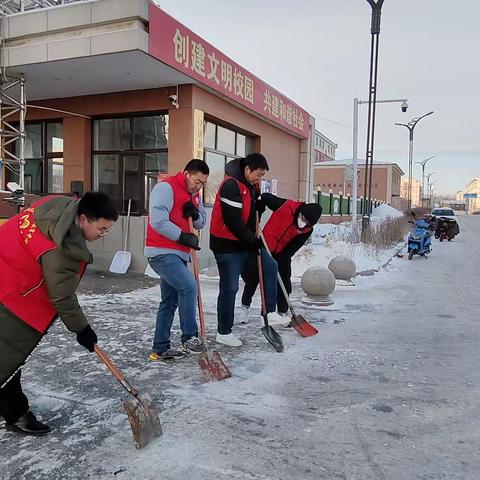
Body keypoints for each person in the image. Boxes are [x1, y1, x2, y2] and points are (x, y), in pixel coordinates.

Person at [0, 192, 118, 436]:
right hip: (11, 292)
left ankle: (14, 410)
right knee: (7, 354)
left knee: (6, 357)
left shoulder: (59, 205)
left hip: (7, 268)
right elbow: (62, 296)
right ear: (84, 219)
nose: (102, 235)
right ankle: (15, 413)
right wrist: (82, 329)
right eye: (102, 229)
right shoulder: (61, 249)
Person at [210, 153, 282, 347]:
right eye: (258, 174)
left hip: (245, 242)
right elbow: (233, 221)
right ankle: (223, 332)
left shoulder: (252, 185)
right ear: (247, 169)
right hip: (227, 245)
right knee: (230, 287)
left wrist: (259, 207)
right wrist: (252, 240)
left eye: (262, 176)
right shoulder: (230, 185)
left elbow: (250, 216)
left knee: (270, 265)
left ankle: (269, 312)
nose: (259, 179)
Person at [146, 159, 209, 361]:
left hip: (179, 254)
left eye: (202, 183)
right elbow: (158, 221)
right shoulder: (166, 188)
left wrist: (195, 212)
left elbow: (201, 222)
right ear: (186, 173)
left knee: (170, 300)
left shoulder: (195, 196)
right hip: (161, 252)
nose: (198, 186)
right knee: (189, 287)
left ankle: (160, 348)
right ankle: (189, 337)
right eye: (197, 181)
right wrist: (181, 236)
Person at [240, 194, 322, 324]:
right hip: (262, 246)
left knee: (284, 281)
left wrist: (281, 258)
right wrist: (260, 204)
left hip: (282, 253)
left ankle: (280, 312)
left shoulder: (307, 230)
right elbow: (265, 197)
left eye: (307, 223)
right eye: (303, 219)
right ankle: (245, 307)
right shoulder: (286, 206)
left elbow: (293, 247)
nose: (303, 223)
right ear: (301, 212)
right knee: (254, 278)